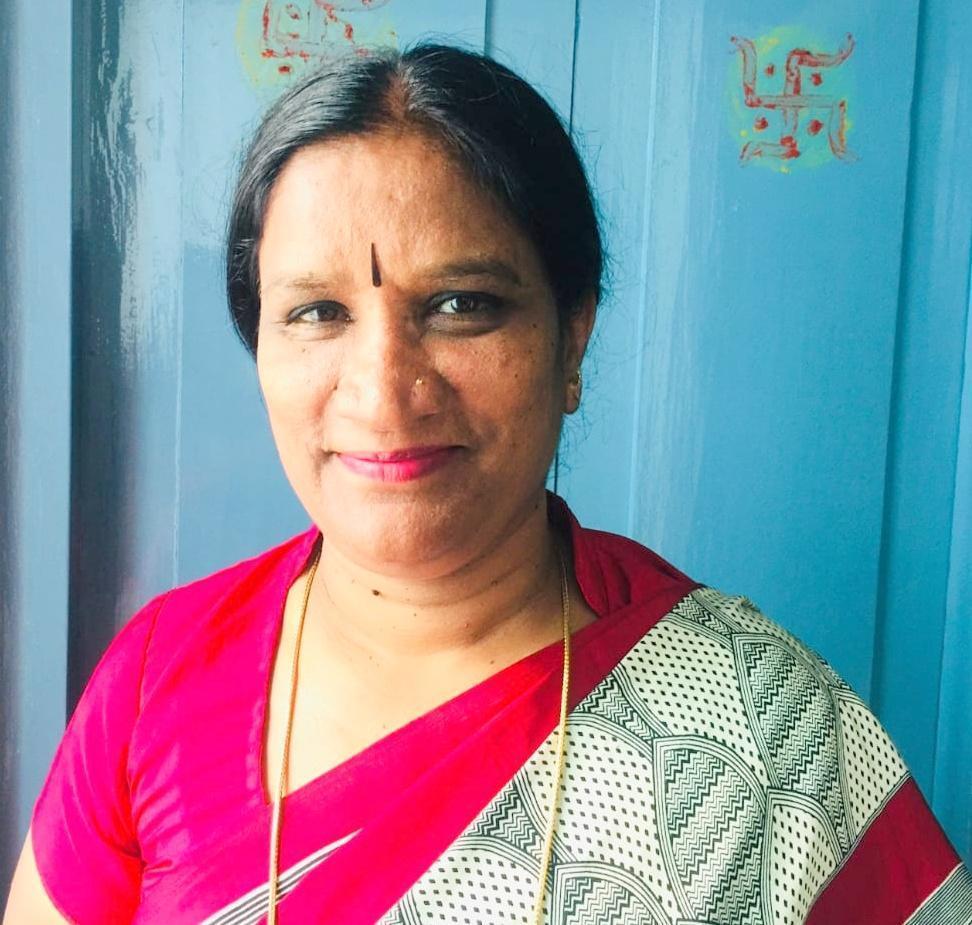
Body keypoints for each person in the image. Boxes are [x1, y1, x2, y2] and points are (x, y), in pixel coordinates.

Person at [4, 43, 970, 925]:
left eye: (461, 304)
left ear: (571, 336)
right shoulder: (157, 681)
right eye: (318, 312)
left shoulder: (758, 723)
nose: (384, 391)